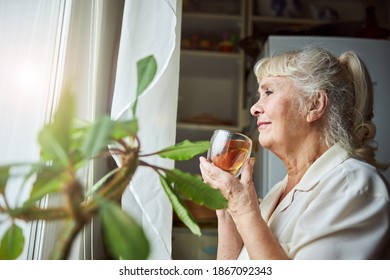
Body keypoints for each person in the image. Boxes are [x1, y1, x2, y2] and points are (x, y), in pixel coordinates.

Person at [199, 46, 390, 260]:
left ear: (314, 105)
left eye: (268, 92)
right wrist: (227, 209)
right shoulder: (278, 193)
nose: (254, 108)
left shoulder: (353, 185)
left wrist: (244, 210)